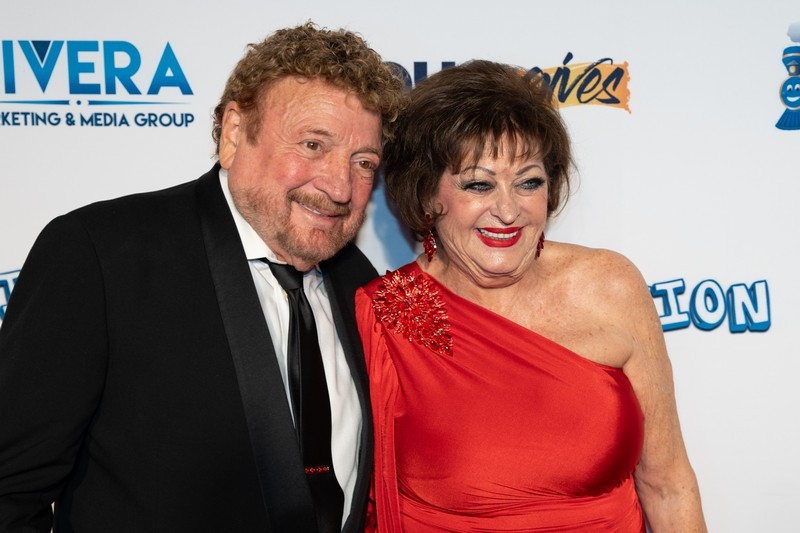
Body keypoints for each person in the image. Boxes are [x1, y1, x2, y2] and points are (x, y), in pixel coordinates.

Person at [0, 23, 404, 533]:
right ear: (235, 133)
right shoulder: (103, 255)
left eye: (363, 162)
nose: (340, 186)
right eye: (312, 144)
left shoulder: (359, 282)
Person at [356, 60, 706, 532]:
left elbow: (668, 486)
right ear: (426, 196)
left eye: (528, 182)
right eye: (478, 184)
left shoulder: (611, 287)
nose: (508, 210)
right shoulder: (384, 316)